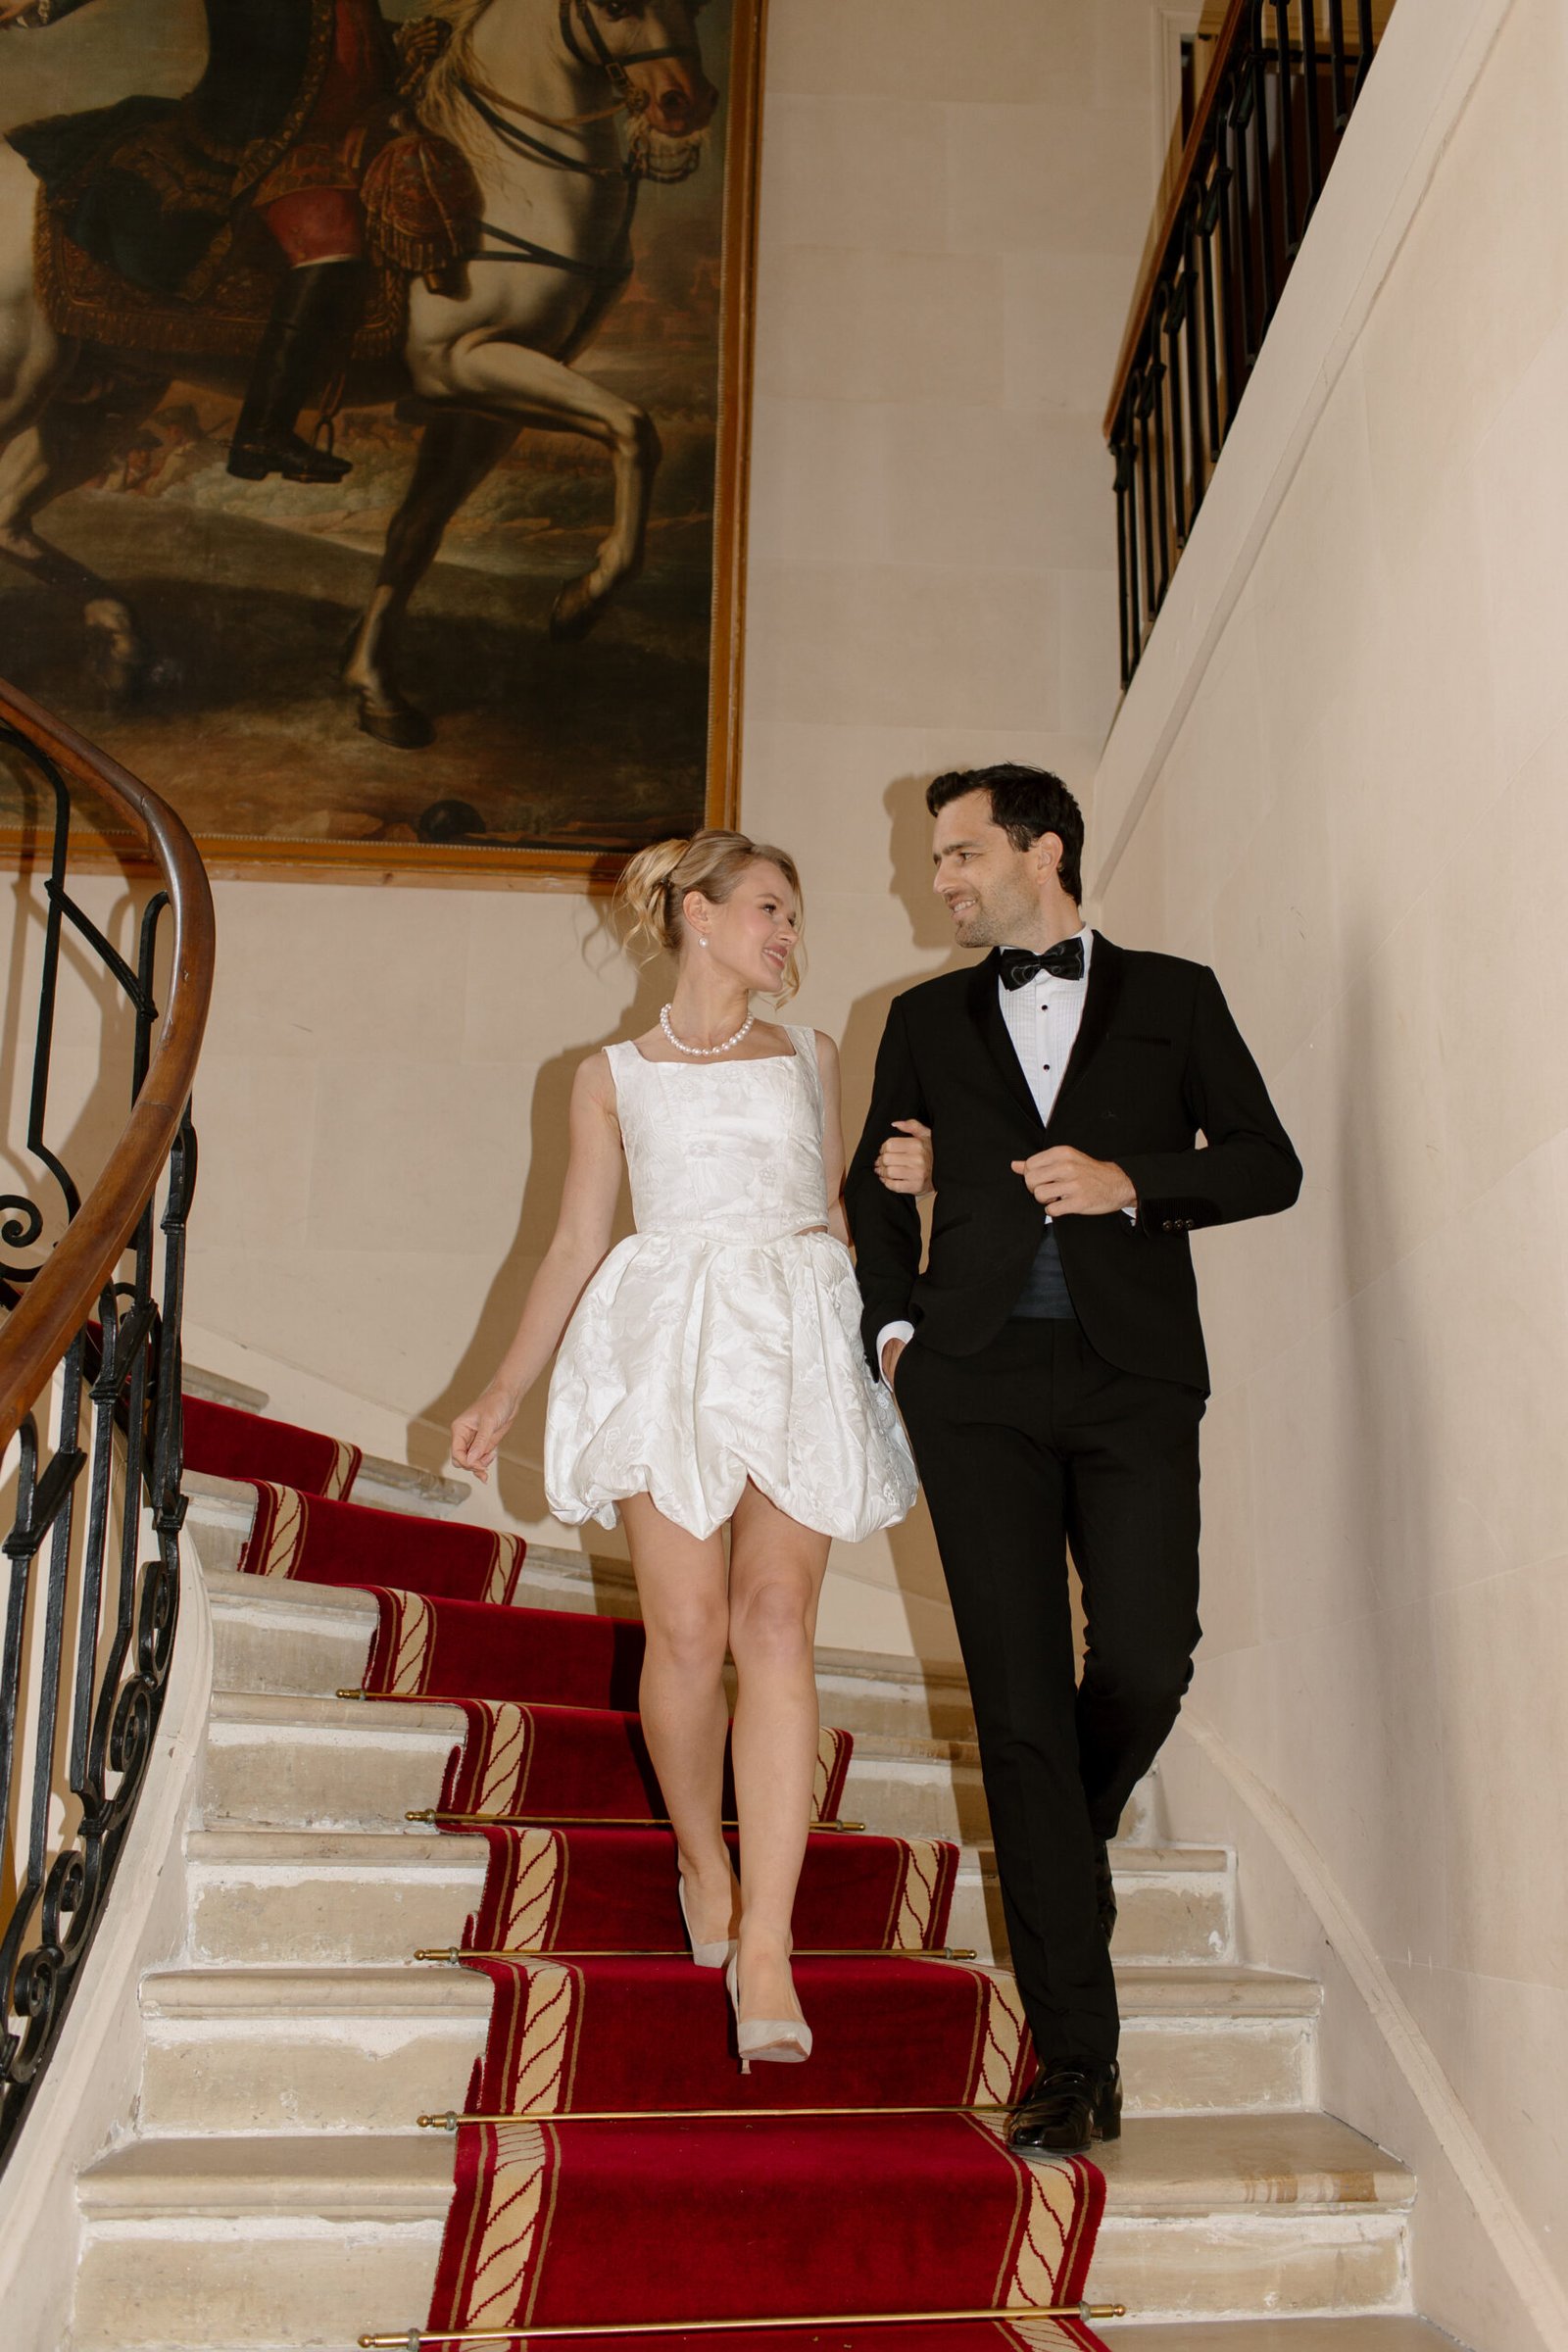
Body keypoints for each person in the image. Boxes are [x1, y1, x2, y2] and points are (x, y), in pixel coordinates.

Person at [847, 763, 1300, 2157]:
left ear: (1046, 849)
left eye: (966, 854)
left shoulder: (1178, 996)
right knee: (1020, 1708)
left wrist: (1131, 1183)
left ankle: (1058, 1840)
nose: (945, 881)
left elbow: (1268, 1164)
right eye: (939, 861)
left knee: (1149, 1661)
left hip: (1132, 1377)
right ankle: (1077, 2061)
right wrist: (897, 1338)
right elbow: (874, 1186)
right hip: (973, 1382)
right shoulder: (918, 1019)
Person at [451, 830, 916, 2070]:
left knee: (775, 1622)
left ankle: (767, 1938)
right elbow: (572, 1245)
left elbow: (833, 1216)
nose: (788, 936)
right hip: (664, 1346)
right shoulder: (608, 1075)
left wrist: (888, 1351)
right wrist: (504, 1387)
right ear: (696, 916)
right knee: (691, 1633)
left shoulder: (813, 1059)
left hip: (797, 1340)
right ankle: (700, 1856)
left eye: (795, 918)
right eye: (769, 907)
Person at [5, 0, 402, 482]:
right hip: (255, 134)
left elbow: (343, 33)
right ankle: (262, 434)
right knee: (332, 245)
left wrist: (400, 41)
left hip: (347, 132)